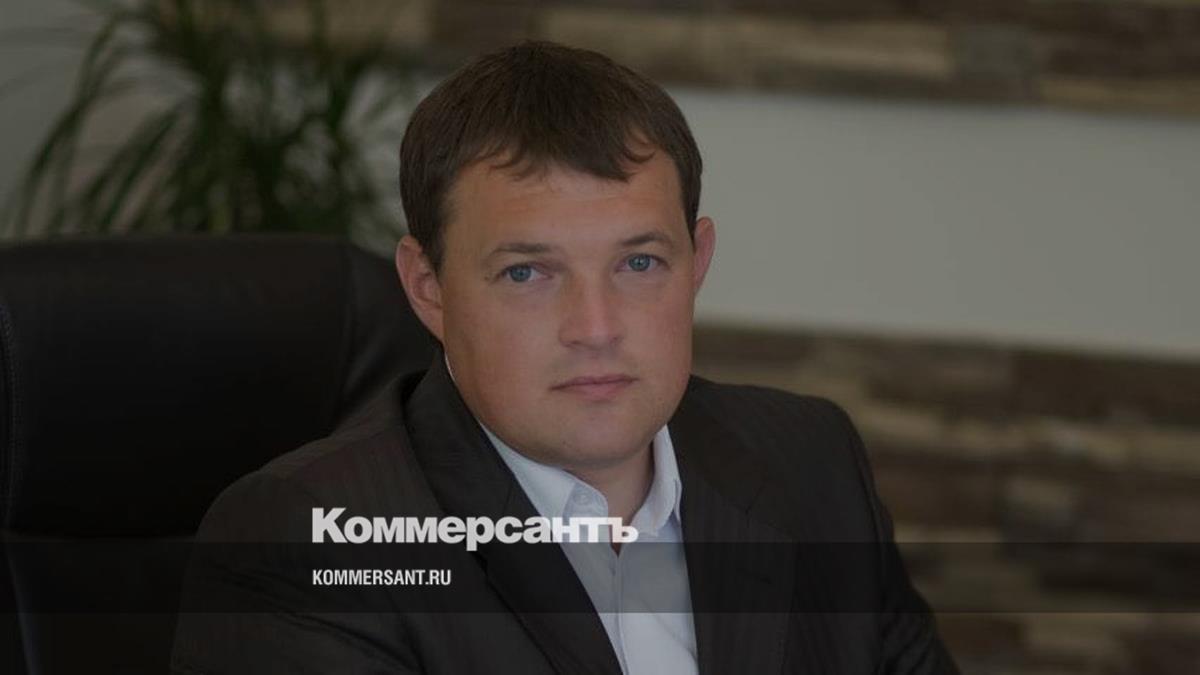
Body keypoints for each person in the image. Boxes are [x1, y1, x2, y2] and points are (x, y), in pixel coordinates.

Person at [172, 40, 958, 674]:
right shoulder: (316, 540)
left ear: (697, 261)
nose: (596, 326)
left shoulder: (809, 462)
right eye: (528, 273)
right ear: (428, 287)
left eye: (639, 263)